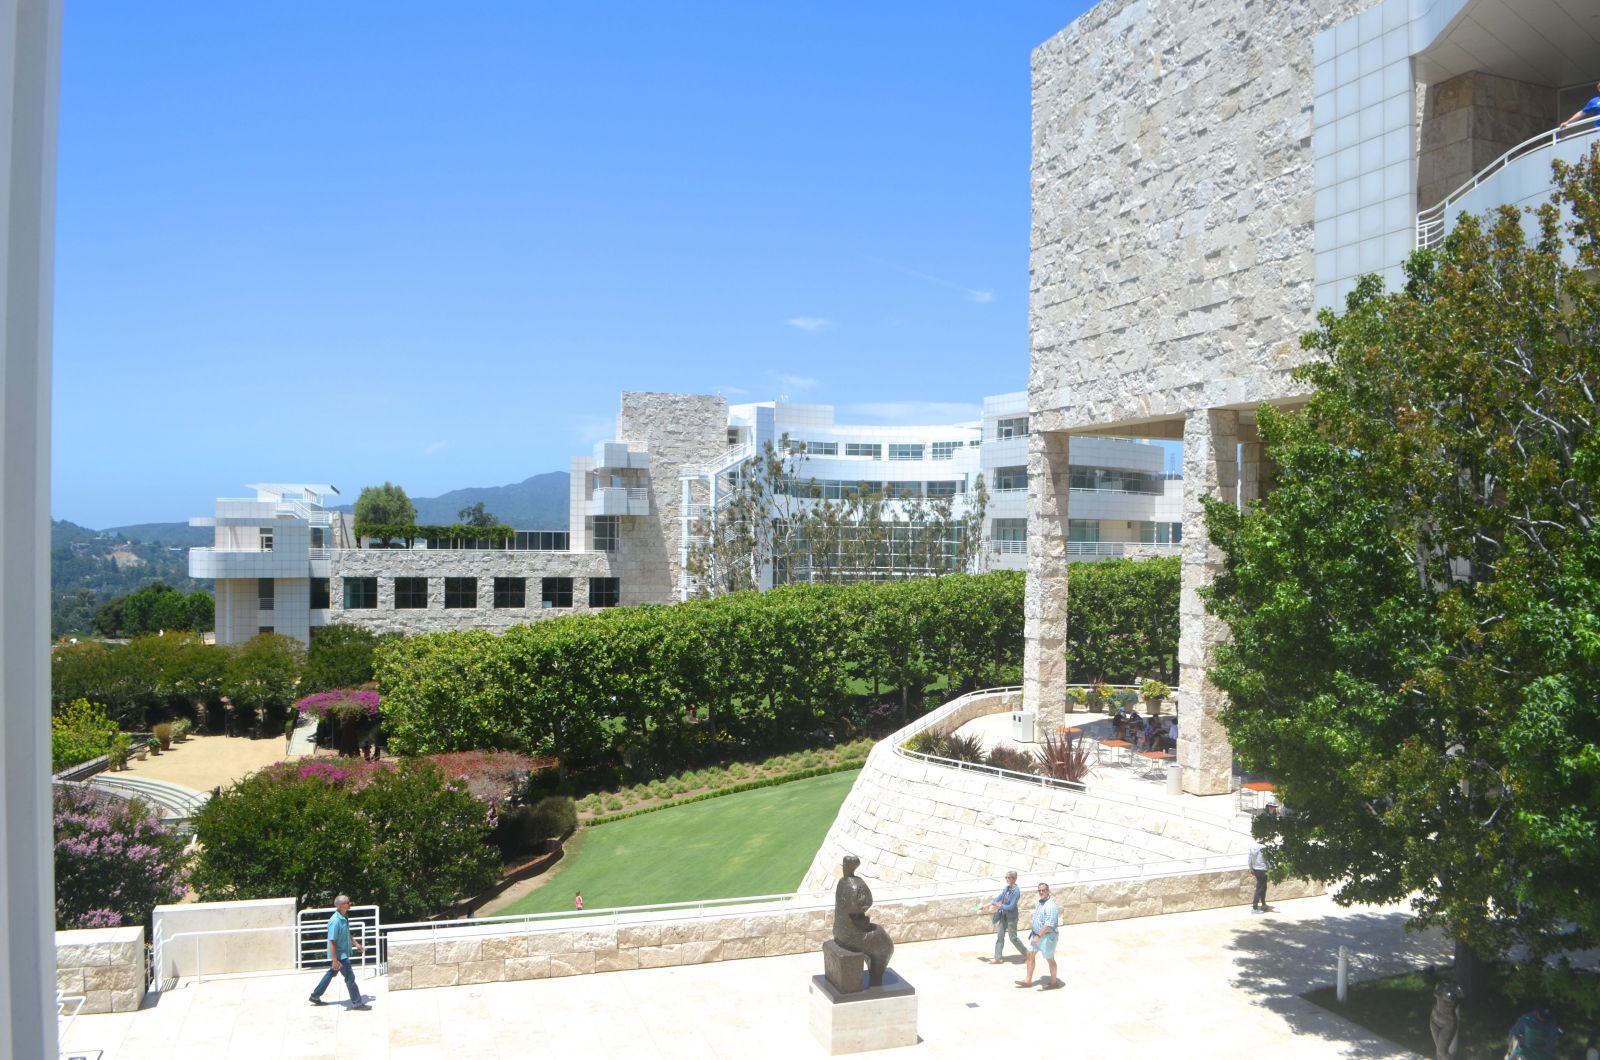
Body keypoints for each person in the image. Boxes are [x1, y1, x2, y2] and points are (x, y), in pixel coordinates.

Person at [308, 894, 368, 1010]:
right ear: (341, 905)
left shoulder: (344, 916)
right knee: (350, 978)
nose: (350, 904)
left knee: (331, 973)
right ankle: (357, 1003)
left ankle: (315, 996)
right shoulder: (335, 921)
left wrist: (356, 944)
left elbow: (347, 932)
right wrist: (335, 960)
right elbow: (332, 941)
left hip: (341, 953)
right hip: (340, 955)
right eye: (348, 902)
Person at [1015, 882, 1061, 989]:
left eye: (1043, 890)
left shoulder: (1050, 905)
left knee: (1050, 960)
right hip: (1036, 935)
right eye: (1039, 890)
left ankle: (1054, 983)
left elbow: (1048, 925)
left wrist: (1038, 936)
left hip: (1047, 937)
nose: (1041, 892)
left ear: (1048, 891)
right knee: (1030, 956)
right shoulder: (1039, 903)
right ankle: (1028, 980)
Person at [984, 871, 1025, 964]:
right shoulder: (1006, 888)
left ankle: (1027, 954)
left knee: (1013, 938)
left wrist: (1000, 906)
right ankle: (998, 958)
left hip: (1011, 918)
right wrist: (987, 905)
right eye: (1006, 877)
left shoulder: (1016, 891)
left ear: (1014, 879)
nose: (1007, 879)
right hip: (1003, 916)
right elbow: (998, 898)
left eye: (1009, 877)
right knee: (1000, 936)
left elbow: (1011, 906)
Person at [1248, 840, 1270, 912]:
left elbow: (1249, 859)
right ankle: (1255, 904)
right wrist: (1270, 867)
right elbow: (1268, 859)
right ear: (1263, 841)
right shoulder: (1264, 848)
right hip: (1263, 869)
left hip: (1256, 869)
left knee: (1262, 886)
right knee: (1261, 887)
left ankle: (1263, 903)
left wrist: (1251, 869)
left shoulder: (1252, 847)